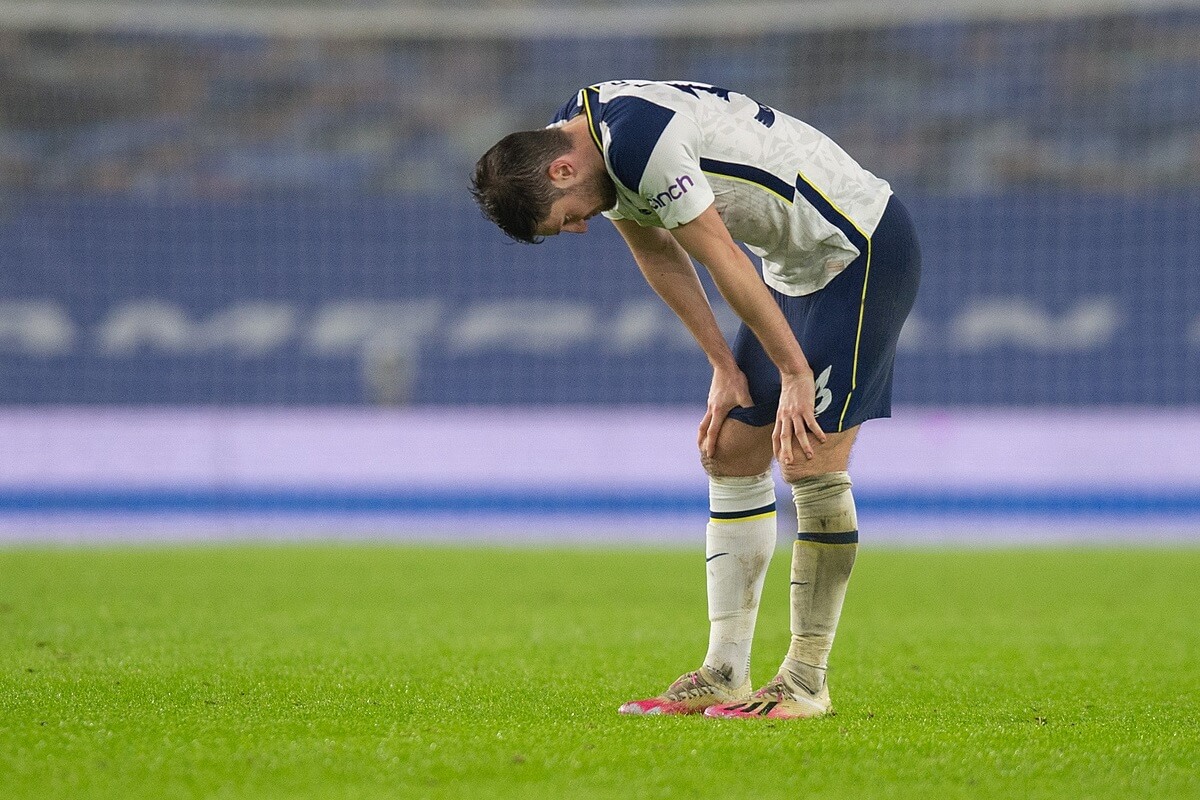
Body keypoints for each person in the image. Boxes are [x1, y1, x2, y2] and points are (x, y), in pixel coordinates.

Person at [471, 80, 920, 720]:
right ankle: (724, 672)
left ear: (561, 168)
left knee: (807, 457)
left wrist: (794, 373)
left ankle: (804, 682)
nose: (576, 229)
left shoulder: (639, 141)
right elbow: (656, 250)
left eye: (565, 215)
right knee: (732, 450)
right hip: (792, 266)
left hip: (859, 249)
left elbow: (717, 253)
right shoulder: (581, 132)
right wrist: (721, 365)